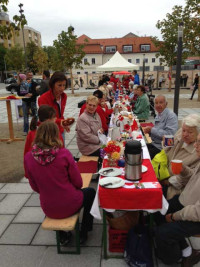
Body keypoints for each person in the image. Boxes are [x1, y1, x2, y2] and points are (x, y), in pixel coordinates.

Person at [24, 121, 96, 245]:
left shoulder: (28, 157)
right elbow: (78, 183)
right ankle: (84, 232)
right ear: (56, 135)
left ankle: (63, 235)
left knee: (54, 198)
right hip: (70, 203)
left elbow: (34, 187)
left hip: (48, 208)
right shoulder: (63, 154)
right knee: (90, 192)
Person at [155, 132, 200, 266]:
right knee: (159, 211)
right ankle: (186, 249)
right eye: (197, 141)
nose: (196, 146)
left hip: (195, 216)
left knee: (163, 233)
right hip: (185, 201)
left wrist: (175, 216)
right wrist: (183, 169)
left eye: (199, 143)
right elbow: (192, 177)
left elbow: (197, 212)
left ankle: (175, 258)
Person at [162, 114, 200, 199]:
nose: (185, 134)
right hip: (164, 173)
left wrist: (168, 182)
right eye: (184, 130)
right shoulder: (181, 134)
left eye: (190, 132)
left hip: (176, 189)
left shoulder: (197, 151)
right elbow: (167, 151)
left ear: (198, 133)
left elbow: (191, 178)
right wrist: (165, 143)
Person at [38, 71, 69, 142]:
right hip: (48, 132)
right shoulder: (43, 98)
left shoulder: (64, 96)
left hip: (60, 130)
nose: (62, 88)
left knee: (61, 151)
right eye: (59, 85)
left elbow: (60, 114)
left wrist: (65, 123)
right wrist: (61, 121)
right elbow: (46, 119)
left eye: (64, 85)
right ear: (52, 84)